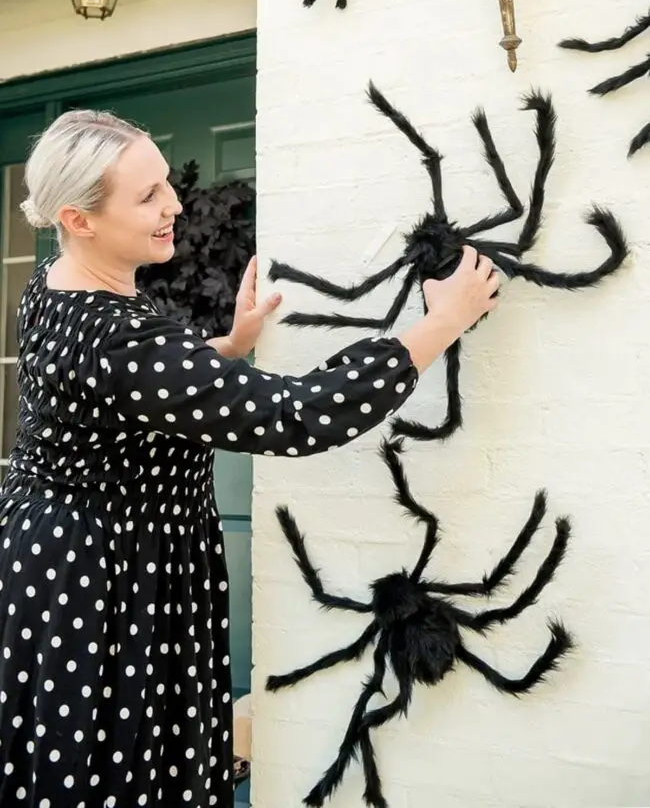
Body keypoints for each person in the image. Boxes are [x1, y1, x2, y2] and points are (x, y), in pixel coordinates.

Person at [0, 110, 499, 807]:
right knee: (112, 767)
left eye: (165, 183)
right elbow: (297, 415)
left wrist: (225, 350)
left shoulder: (54, 284)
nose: (172, 202)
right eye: (146, 196)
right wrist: (443, 319)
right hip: (106, 581)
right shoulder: (118, 341)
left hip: (51, 554)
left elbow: (115, 402)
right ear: (78, 218)